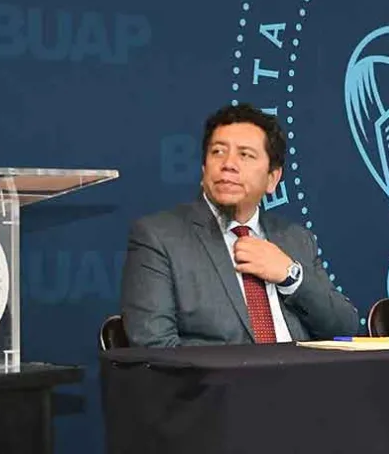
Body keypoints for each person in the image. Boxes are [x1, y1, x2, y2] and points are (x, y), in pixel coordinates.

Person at [121, 103, 361, 347]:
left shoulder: (295, 238)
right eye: (217, 152)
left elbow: (345, 329)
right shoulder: (159, 237)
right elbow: (154, 347)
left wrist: (291, 278)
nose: (228, 164)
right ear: (204, 170)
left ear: (272, 178)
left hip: (305, 380)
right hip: (223, 384)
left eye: (245, 155)